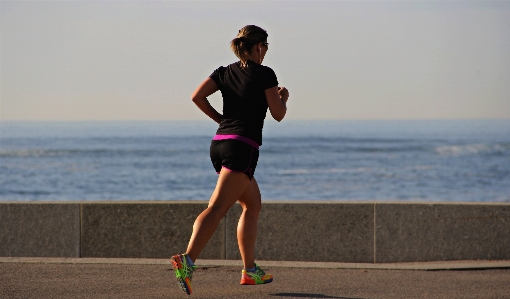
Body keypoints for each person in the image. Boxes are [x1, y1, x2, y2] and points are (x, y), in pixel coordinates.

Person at [170, 25, 289, 295]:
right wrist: (283, 96)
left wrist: (221, 121)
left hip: (220, 144)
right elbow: (278, 113)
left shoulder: (224, 72)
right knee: (218, 207)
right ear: (258, 46)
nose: (266, 52)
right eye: (266, 47)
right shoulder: (265, 74)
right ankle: (186, 261)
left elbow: (197, 96)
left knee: (252, 204)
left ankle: (250, 271)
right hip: (242, 147)